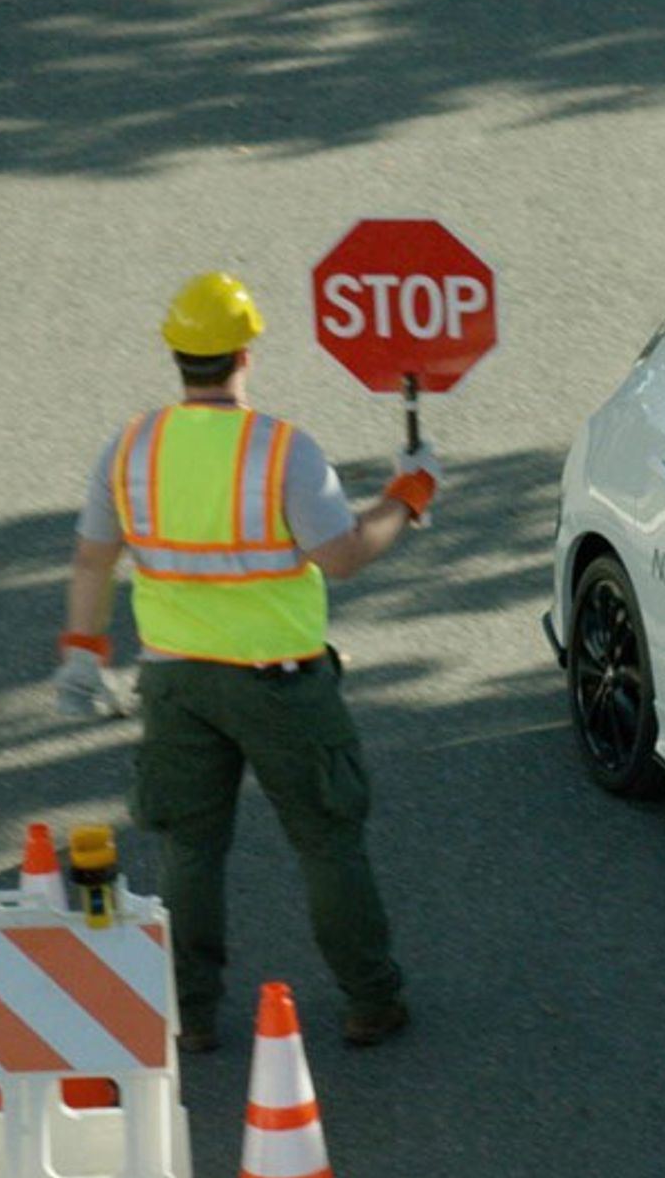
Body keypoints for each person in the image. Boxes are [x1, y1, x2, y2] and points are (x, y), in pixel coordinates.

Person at [56, 270, 438, 1052]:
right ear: (245, 354)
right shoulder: (282, 451)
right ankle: (371, 999)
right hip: (281, 685)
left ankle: (192, 1015)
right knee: (328, 841)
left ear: (175, 353)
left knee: (190, 848)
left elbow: (94, 559)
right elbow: (342, 556)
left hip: (175, 683)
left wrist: (84, 653)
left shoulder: (130, 447)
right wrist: (408, 494)